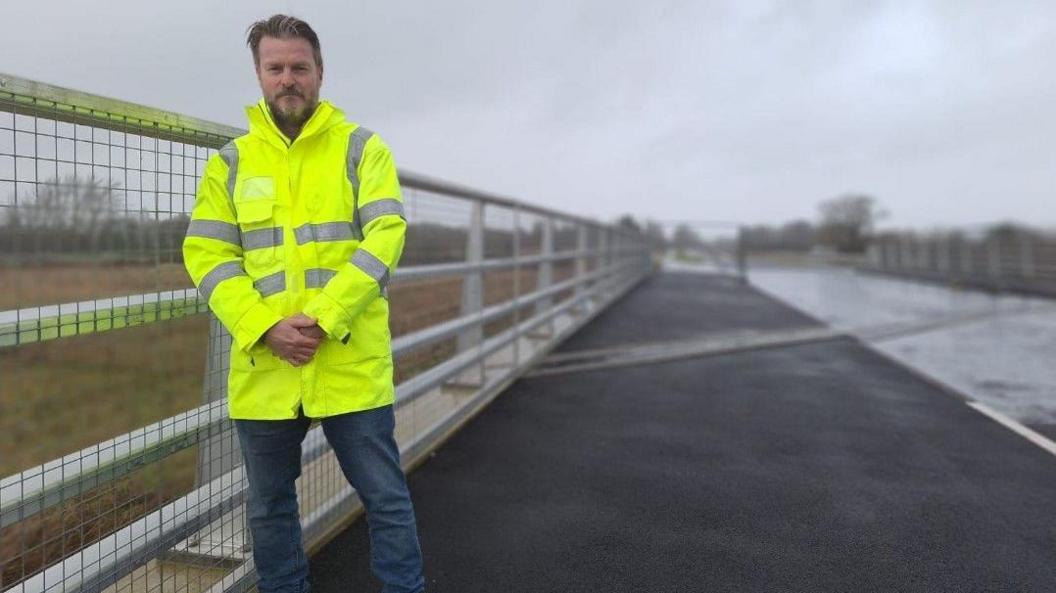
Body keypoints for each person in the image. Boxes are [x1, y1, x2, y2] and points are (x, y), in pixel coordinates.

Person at [182, 14, 425, 593]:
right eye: (275, 68)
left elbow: (386, 236)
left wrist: (324, 318)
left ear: (320, 72)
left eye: (299, 67)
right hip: (266, 368)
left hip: (347, 362)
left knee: (385, 499)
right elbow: (208, 256)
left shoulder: (361, 149)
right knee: (269, 508)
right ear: (258, 74)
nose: (287, 79)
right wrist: (265, 326)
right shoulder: (230, 163)